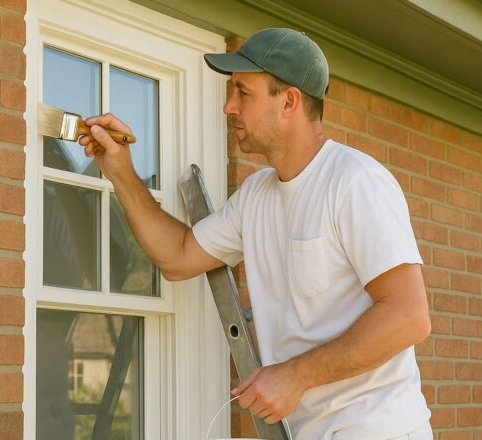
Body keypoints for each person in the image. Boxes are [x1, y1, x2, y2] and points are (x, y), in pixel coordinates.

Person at [79, 27, 433, 440]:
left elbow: (408, 316)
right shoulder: (256, 196)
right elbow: (178, 256)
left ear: (289, 102)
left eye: (243, 93)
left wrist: (296, 376)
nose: (229, 107)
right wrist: (121, 171)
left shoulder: (354, 181)